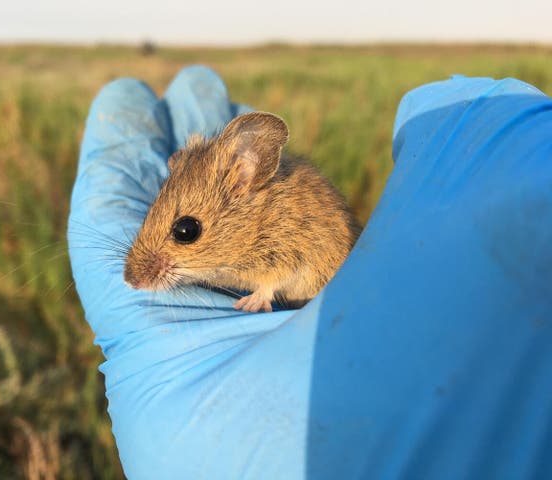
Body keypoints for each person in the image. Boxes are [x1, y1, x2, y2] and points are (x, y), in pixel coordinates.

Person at [68, 66, 552, 479]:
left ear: (245, 179)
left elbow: (293, 257)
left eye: (187, 231)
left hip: (315, 276)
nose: (159, 258)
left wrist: (266, 290)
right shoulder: (218, 226)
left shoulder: (282, 213)